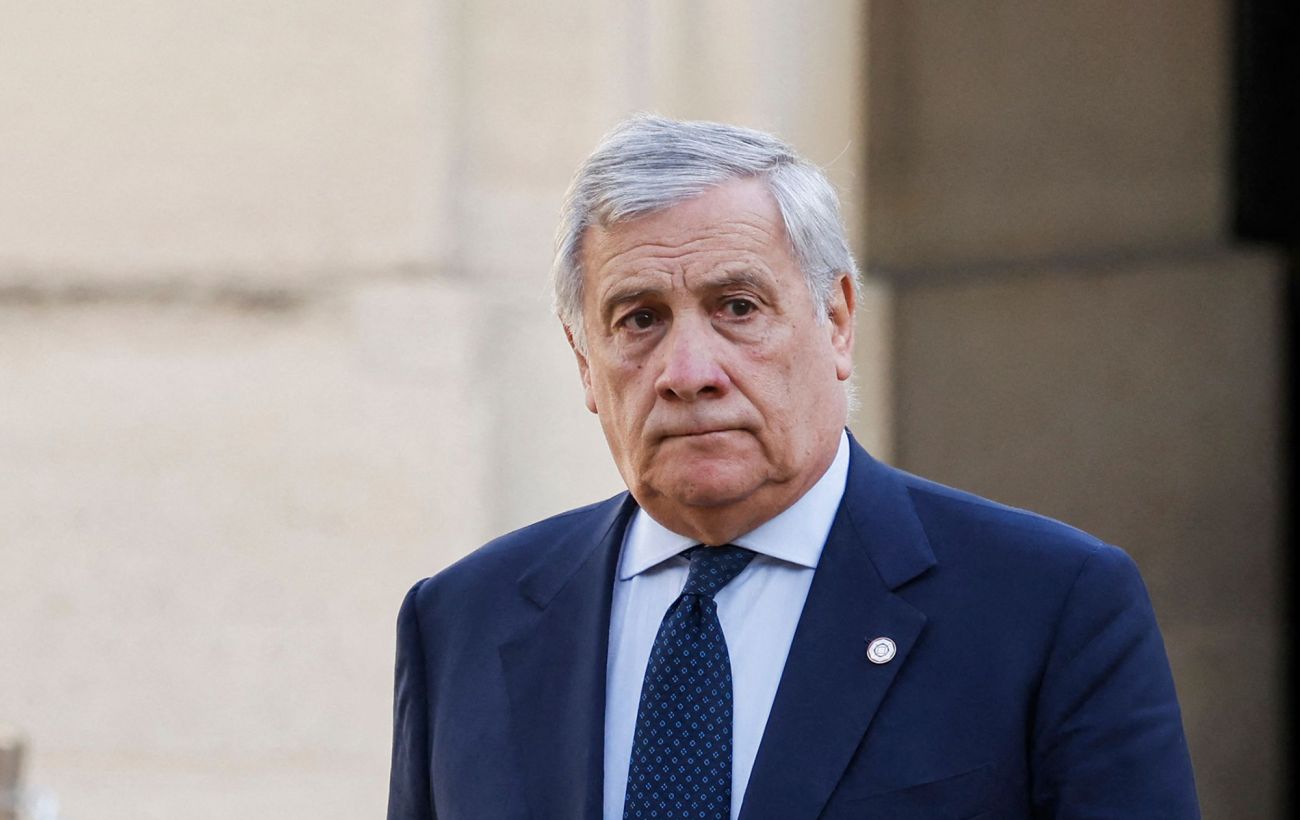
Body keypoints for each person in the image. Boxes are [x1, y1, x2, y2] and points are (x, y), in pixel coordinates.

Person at [387, 115, 1199, 819]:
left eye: (737, 308)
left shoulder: (1046, 606)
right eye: (639, 319)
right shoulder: (460, 623)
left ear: (837, 322)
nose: (689, 372)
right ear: (583, 363)